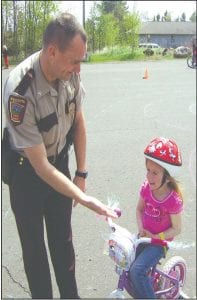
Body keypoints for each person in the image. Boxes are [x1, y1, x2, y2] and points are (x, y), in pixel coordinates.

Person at [3, 13, 118, 299]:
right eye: (75, 61)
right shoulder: (20, 90)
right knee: (35, 253)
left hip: (59, 163)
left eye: (82, 60)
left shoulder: (70, 75)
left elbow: (78, 121)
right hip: (27, 173)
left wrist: (81, 173)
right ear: (52, 51)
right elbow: (39, 166)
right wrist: (84, 199)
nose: (79, 69)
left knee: (63, 243)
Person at [129, 137, 183, 299]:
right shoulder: (146, 188)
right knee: (127, 264)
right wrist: (140, 228)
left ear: (167, 177)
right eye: (147, 170)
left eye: (155, 173)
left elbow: (177, 228)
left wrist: (156, 237)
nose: (149, 176)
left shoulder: (172, 200)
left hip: (159, 243)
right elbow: (139, 210)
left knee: (137, 271)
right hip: (144, 237)